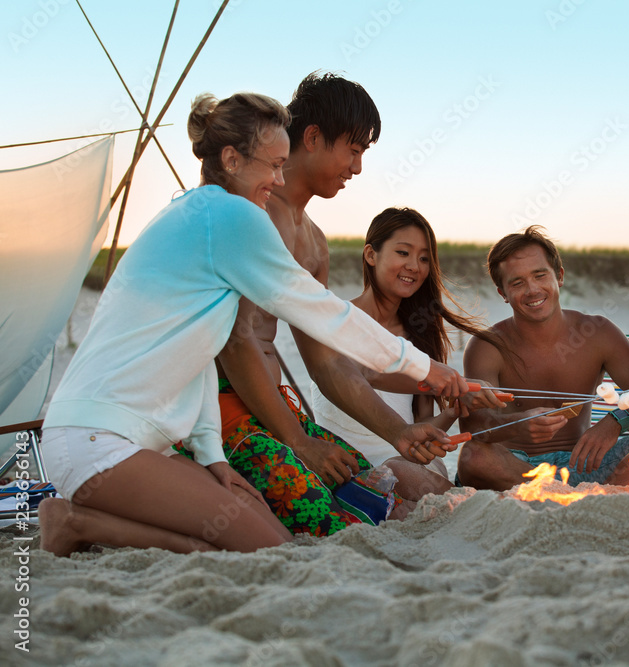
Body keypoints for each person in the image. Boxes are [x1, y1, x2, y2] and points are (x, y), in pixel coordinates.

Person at [37, 91, 465, 557]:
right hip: (99, 438)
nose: (278, 179)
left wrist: (213, 456)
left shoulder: (202, 212)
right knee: (266, 550)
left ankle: (77, 522)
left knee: (265, 535)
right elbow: (321, 312)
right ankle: (76, 521)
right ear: (232, 159)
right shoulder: (233, 215)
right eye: (273, 165)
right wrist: (426, 370)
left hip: (136, 439)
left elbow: (200, 359)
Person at [211, 73, 501, 535]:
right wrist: (298, 440)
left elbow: (328, 366)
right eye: (354, 148)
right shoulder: (253, 214)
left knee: (373, 498)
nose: (358, 167)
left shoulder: (314, 245)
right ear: (313, 138)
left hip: (275, 412)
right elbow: (237, 338)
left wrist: (399, 433)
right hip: (221, 412)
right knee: (338, 520)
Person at [311, 207, 509, 494]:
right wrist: (454, 384)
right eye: (403, 253)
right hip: (346, 463)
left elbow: (421, 425)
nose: (415, 266)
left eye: (424, 258)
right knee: (400, 474)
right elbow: (365, 373)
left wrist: (454, 408)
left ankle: (466, 506)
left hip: (405, 459)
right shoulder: (338, 317)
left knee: (414, 471)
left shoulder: (418, 335)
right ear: (370, 254)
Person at [457, 226, 629, 491]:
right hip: (517, 468)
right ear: (502, 293)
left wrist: (616, 421)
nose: (533, 290)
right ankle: (579, 496)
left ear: (559, 276)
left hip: (587, 461)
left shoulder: (598, 333)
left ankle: (597, 491)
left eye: (540, 275)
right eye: (517, 283)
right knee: (472, 457)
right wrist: (517, 427)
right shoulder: (488, 346)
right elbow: (473, 427)